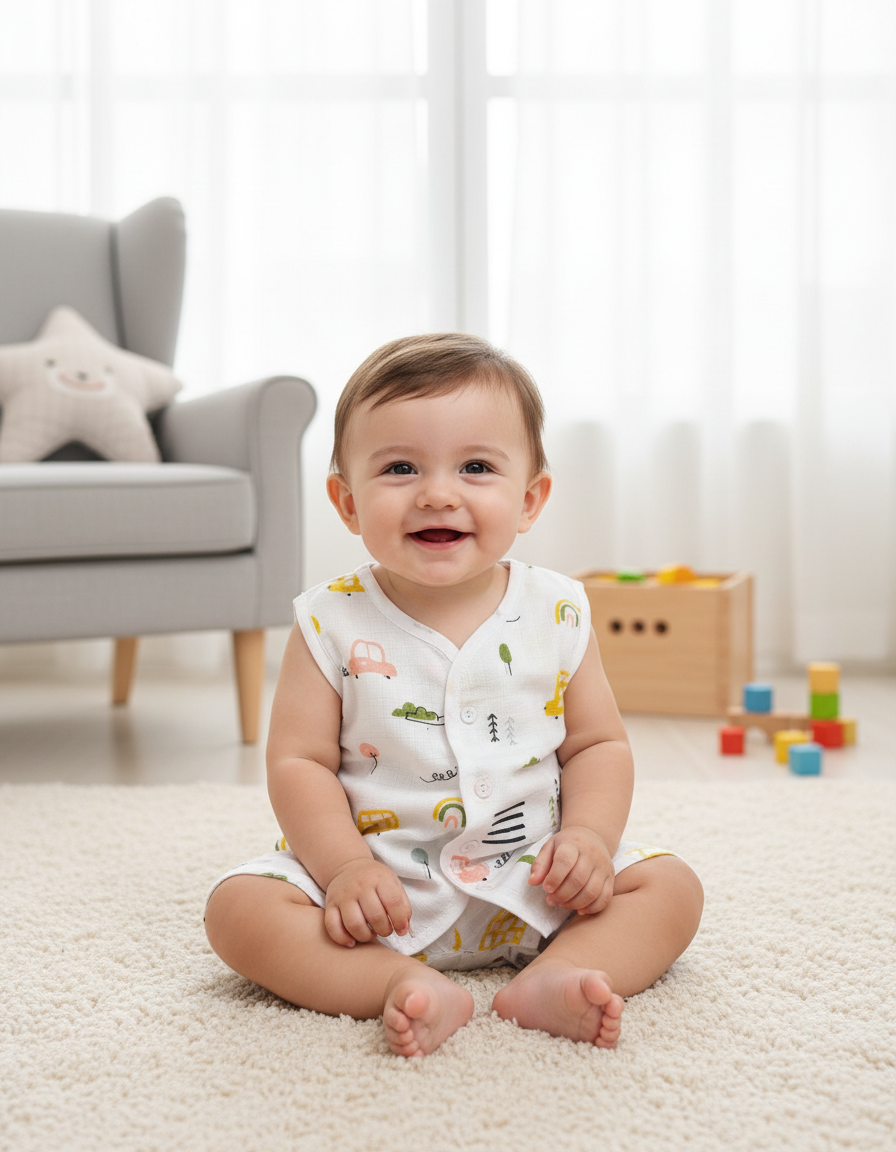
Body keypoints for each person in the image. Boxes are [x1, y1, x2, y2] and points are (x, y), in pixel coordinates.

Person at [205, 333, 704, 1058]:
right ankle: (391, 983)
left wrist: (590, 841)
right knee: (238, 911)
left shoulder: (556, 610)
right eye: (401, 467)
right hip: (377, 895)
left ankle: (556, 976)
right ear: (347, 502)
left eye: (476, 467)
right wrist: (344, 868)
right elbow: (298, 763)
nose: (438, 492)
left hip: (538, 883)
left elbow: (598, 743)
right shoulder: (330, 620)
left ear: (530, 499)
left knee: (671, 888)